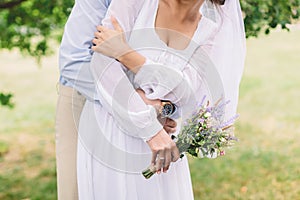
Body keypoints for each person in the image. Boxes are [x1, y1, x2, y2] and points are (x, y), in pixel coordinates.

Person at [77, 0, 246, 199]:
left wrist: (125, 54)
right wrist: (151, 130)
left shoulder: (211, 31)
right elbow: (102, 62)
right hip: (112, 127)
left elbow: (184, 91)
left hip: (164, 141)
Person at [56, 0, 178, 199]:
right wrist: (135, 101)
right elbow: (73, 62)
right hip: (86, 98)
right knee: (77, 191)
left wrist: (168, 108)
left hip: (151, 110)